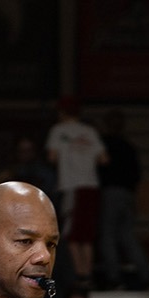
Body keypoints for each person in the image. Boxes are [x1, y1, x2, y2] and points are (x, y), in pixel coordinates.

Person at [47, 97, 108, 287]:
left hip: (71, 186)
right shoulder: (89, 131)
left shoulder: (58, 130)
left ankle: (79, 277)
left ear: (62, 113)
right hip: (91, 186)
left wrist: (69, 157)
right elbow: (104, 159)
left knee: (72, 234)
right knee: (87, 234)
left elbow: (52, 157)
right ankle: (87, 275)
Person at [96, 110, 149, 290]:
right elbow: (137, 174)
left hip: (110, 193)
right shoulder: (129, 147)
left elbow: (99, 172)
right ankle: (146, 276)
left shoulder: (103, 146)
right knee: (127, 235)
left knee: (108, 235)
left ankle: (114, 278)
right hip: (127, 195)